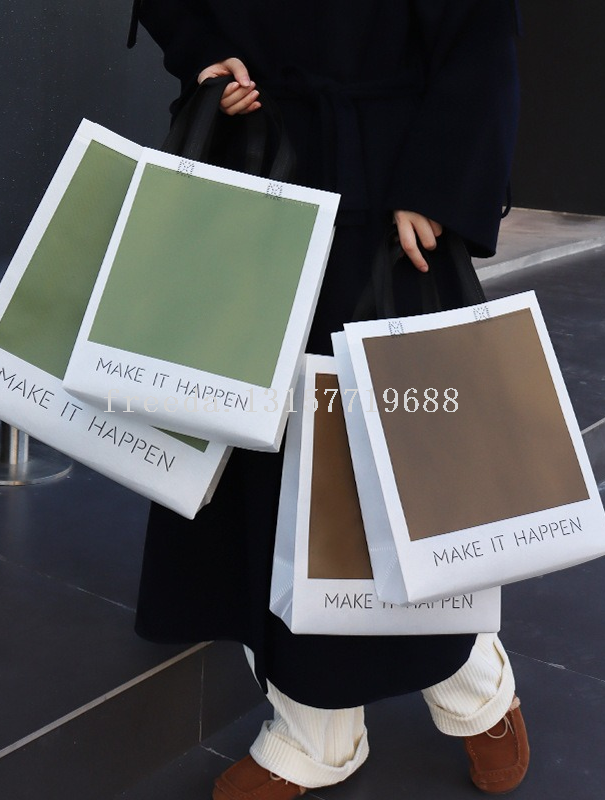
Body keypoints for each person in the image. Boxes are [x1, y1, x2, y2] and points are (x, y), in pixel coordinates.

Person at [127, 2, 526, 797]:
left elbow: (481, 25)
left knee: (391, 466)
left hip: (384, 187)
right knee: (257, 465)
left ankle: (473, 681)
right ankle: (315, 726)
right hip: (254, 166)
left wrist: (440, 179)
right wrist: (207, 51)